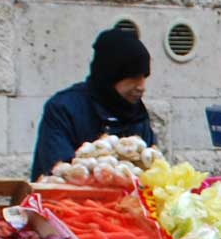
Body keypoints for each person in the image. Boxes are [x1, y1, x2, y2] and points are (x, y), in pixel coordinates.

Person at [30, 21, 158, 180]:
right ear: (111, 75)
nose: (141, 86)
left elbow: (152, 168)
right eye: (133, 78)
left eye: (144, 77)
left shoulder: (137, 114)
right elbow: (60, 171)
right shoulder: (64, 109)